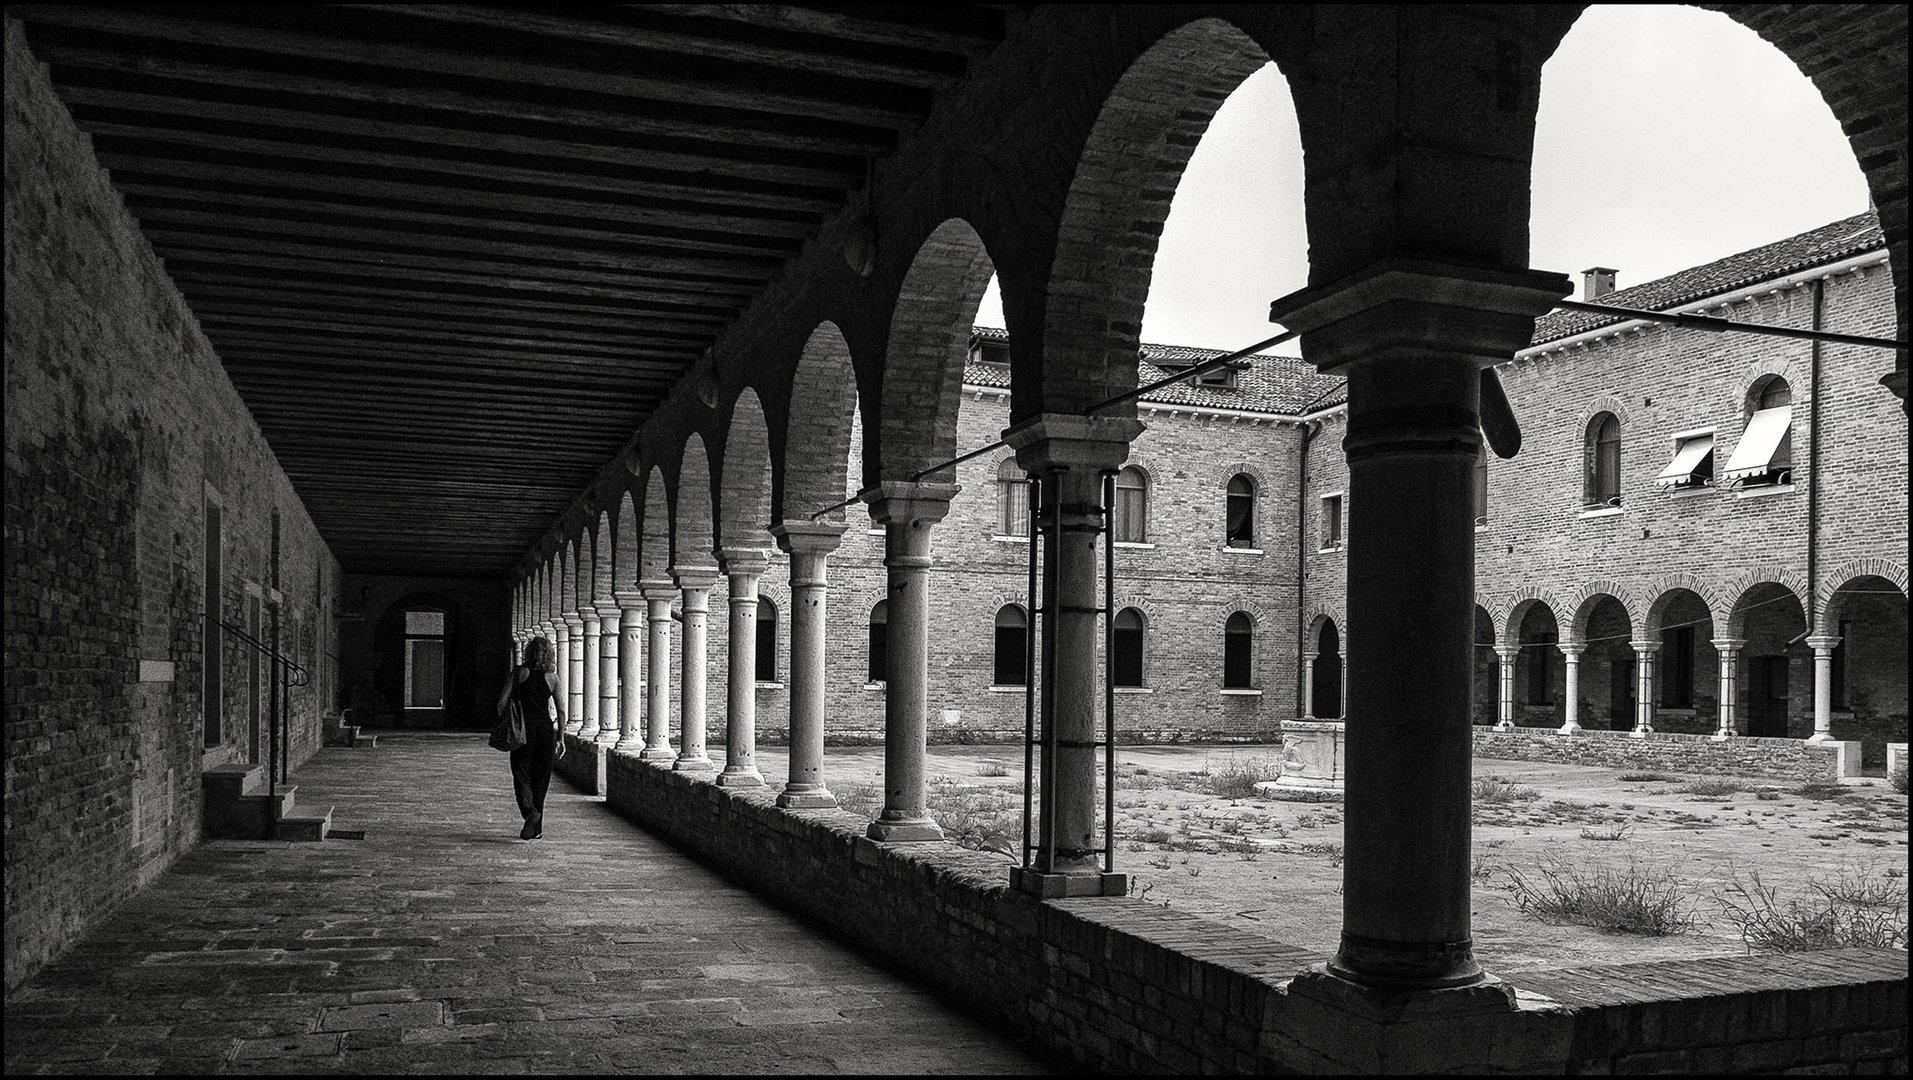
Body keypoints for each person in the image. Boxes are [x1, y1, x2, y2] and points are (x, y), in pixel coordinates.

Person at [496, 636, 565, 840]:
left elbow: (501, 703)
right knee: (541, 780)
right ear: (549, 655)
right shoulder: (553, 678)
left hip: (522, 732)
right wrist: (561, 738)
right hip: (545, 732)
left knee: (521, 774)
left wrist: (506, 723)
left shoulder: (519, 673)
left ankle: (530, 812)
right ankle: (537, 829)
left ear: (528, 652)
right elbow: (561, 711)